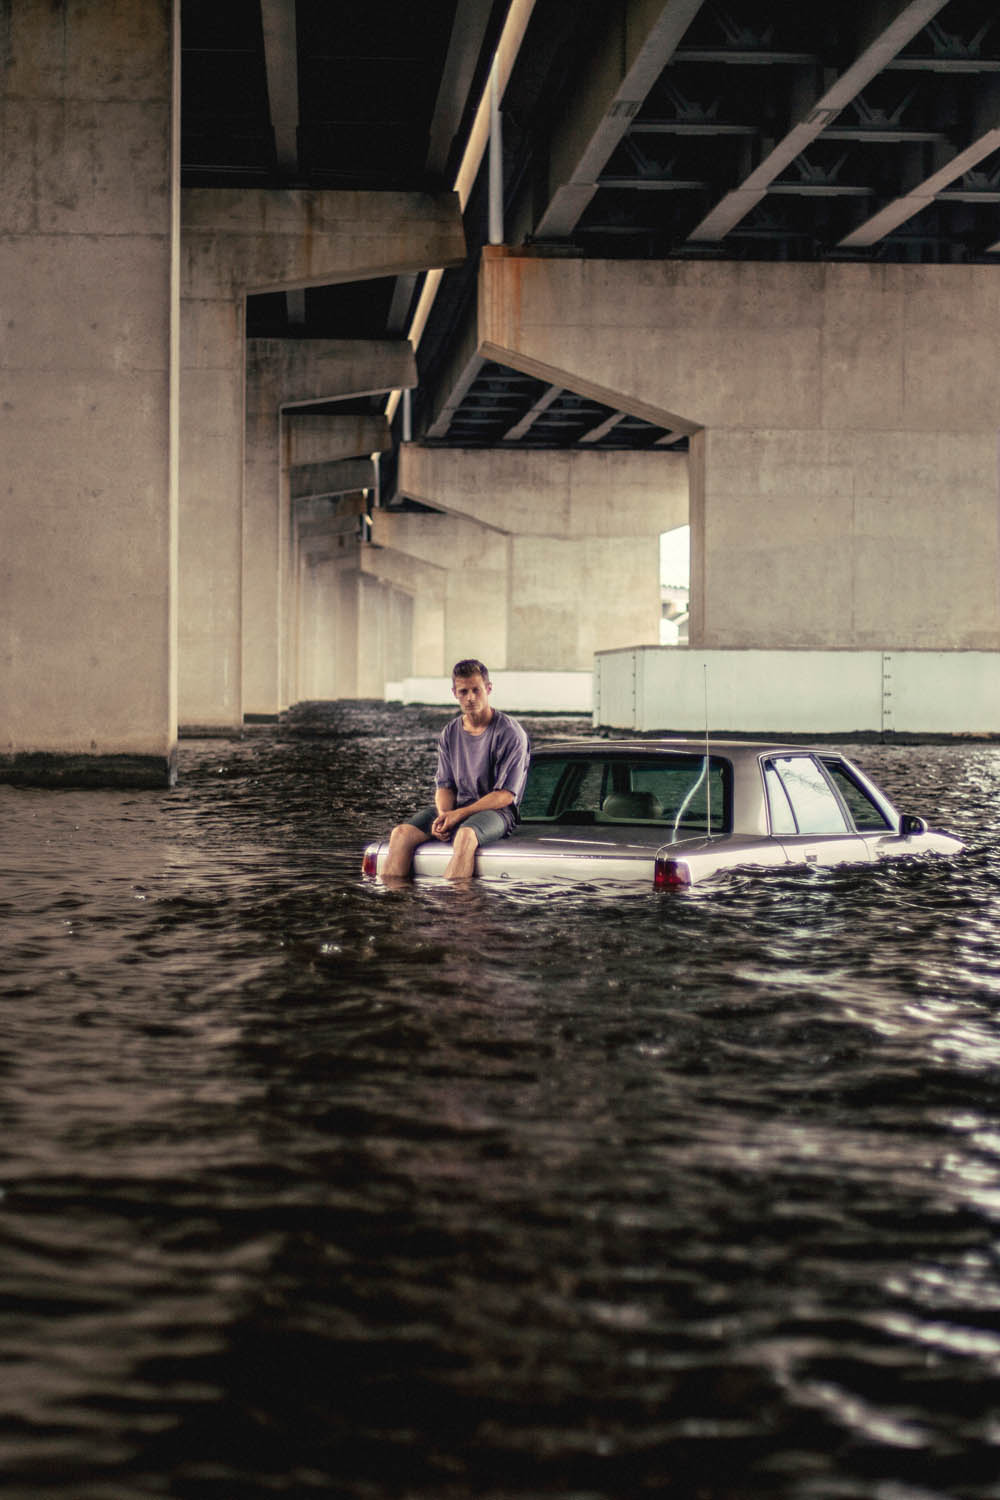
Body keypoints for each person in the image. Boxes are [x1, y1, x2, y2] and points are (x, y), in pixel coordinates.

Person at [383, 659, 530, 880]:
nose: (470, 697)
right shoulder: (450, 733)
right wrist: (444, 817)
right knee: (400, 834)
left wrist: (456, 816)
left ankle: (454, 909)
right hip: (456, 808)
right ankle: (394, 903)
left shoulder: (510, 733)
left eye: (476, 690)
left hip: (498, 814)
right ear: (455, 693)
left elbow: (505, 796)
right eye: (463, 691)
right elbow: (445, 786)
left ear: (488, 689)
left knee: (465, 836)